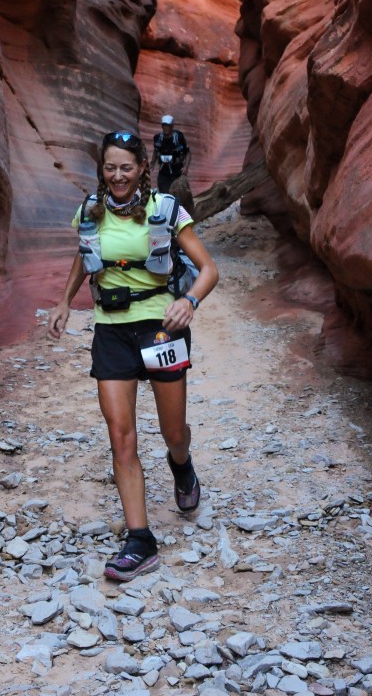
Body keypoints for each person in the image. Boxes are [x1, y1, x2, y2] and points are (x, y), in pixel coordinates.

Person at [48, 130, 219, 582]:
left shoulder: (166, 210)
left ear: (143, 167)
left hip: (161, 328)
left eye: (126, 167)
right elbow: (81, 258)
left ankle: (182, 466)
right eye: (110, 167)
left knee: (172, 431)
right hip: (111, 330)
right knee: (120, 436)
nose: (118, 175)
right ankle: (140, 540)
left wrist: (190, 302)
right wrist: (65, 301)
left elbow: (208, 269)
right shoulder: (90, 210)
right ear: (101, 169)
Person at [151, 114, 190, 194]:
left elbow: (188, 153)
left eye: (168, 125)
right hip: (163, 171)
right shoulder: (157, 138)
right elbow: (156, 150)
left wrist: (186, 167)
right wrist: (153, 162)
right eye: (164, 125)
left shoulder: (178, 137)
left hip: (177, 171)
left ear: (172, 126)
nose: (166, 127)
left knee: (179, 194)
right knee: (164, 194)